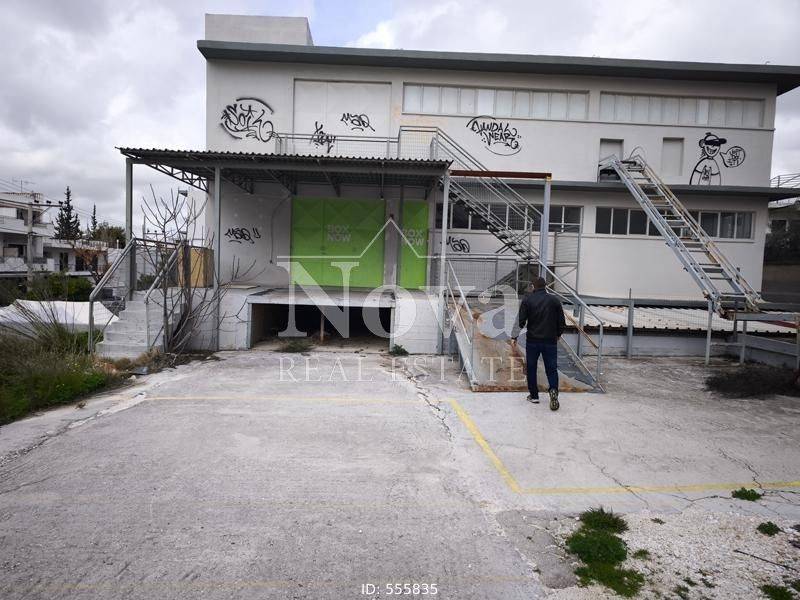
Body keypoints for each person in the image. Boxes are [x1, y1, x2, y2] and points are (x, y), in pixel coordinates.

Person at [512, 276, 565, 411]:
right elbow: (561, 321)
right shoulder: (554, 300)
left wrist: (514, 336)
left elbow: (521, 320)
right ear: (545, 286)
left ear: (533, 286)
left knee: (531, 368)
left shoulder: (528, 300)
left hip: (533, 341)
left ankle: (534, 395)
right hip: (550, 341)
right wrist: (558, 334)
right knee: (551, 368)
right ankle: (553, 390)